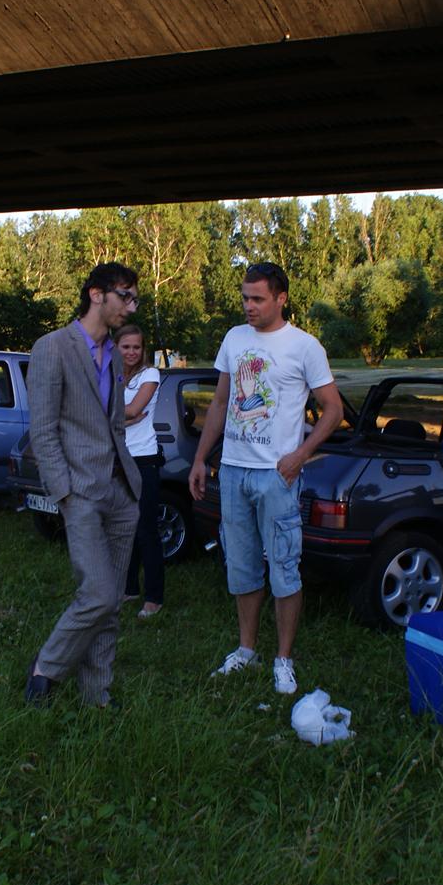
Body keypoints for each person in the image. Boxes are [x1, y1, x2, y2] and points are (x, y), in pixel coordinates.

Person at [188, 262, 342, 696]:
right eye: (245, 298)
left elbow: (333, 410)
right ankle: (247, 649)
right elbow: (221, 403)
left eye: (257, 298)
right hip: (233, 471)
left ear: (281, 299)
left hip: (277, 476)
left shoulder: (305, 346)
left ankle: (284, 659)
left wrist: (300, 456)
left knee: (284, 569)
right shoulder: (234, 339)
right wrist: (201, 459)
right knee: (241, 567)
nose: (249, 306)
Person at [24, 263, 143, 708]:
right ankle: (46, 668)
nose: (131, 306)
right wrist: (66, 492)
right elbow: (43, 429)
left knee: (112, 603)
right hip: (80, 491)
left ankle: (96, 695)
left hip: (121, 491)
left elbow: (115, 423)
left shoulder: (113, 353)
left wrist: (127, 480)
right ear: (97, 294)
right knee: (98, 594)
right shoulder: (53, 347)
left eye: (134, 298)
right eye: (125, 296)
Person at [117, 322, 163, 618]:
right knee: (124, 528)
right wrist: (121, 418)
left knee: (146, 529)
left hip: (144, 459)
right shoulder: (111, 375)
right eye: (126, 346)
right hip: (118, 459)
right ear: (116, 348)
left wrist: (117, 417)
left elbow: (135, 410)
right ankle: (129, 588)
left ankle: (154, 597)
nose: (132, 352)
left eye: (136, 347)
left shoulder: (150, 375)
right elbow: (91, 409)